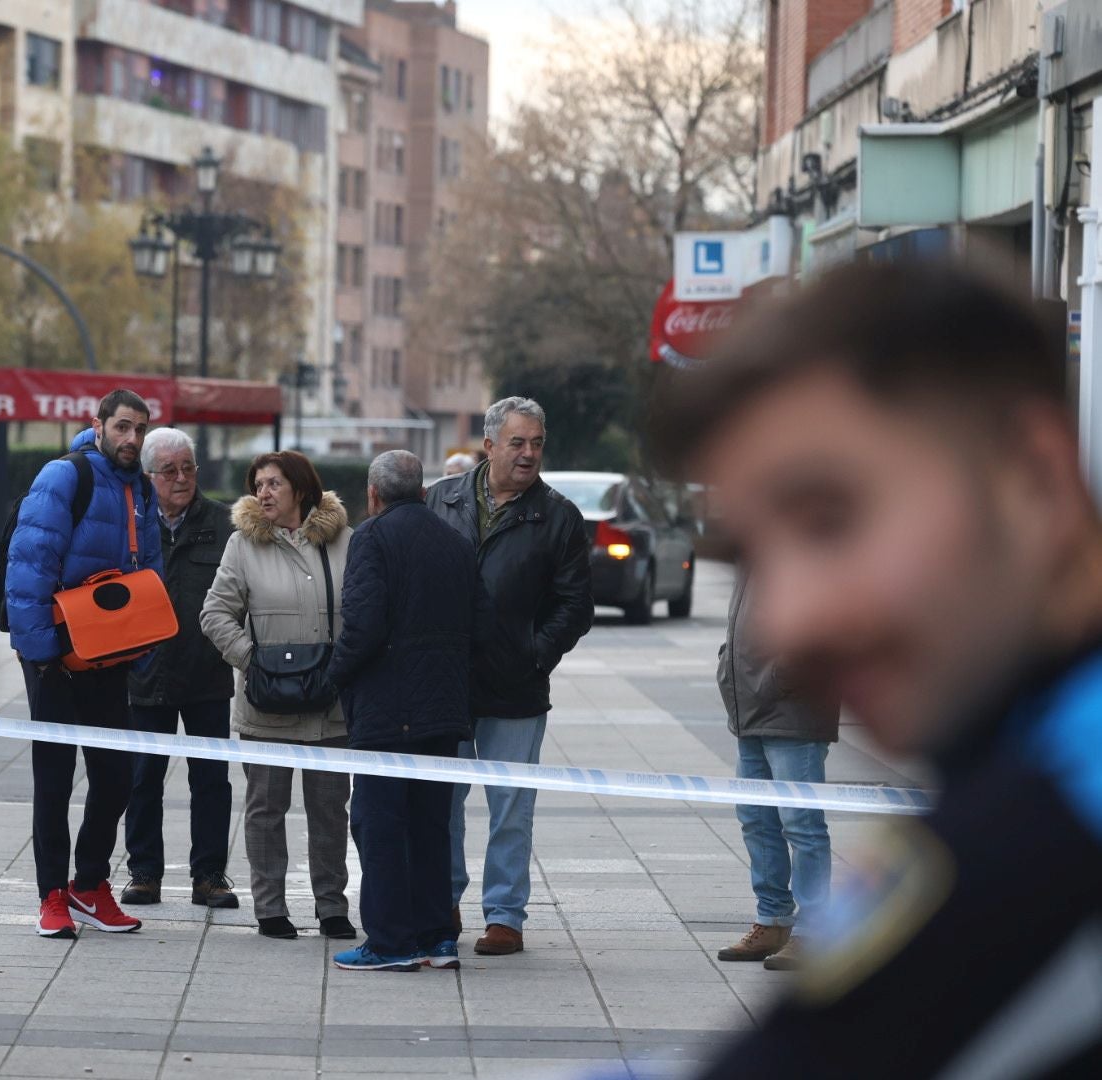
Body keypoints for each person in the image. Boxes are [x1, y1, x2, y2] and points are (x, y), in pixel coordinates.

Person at [655, 259, 1102, 1077]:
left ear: (1036, 478)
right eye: (754, 553)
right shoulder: (1013, 766)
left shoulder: (1048, 838)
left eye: (831, 520)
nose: (791, 616)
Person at [426, 397, 594, 956]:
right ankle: (441, 901)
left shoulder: (558, 515)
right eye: (517, 442)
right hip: (445, 685)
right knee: (440, 805)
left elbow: (575, 606)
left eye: (537, 443)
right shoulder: (439, 500)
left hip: (516, 688)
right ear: (490, 445)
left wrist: (534, 654)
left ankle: (504, 916)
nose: (528, 454)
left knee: (511, 809)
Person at [6, 389, 161, 940]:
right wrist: (42, 653)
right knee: (53, 781)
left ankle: (89, 884)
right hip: (54, 656)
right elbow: (29, 565)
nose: (132, 440)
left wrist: (140, 641)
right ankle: (52, 894)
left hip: (107, 655)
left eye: (140, 430)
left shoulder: (140, 486)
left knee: (116, 777)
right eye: (122, 427)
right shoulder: (65, 476)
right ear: (97, 426)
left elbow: (151, 572)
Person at [327, 450, 484, 972]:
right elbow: (479, 624)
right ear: (422, 492)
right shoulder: (457, 543)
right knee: (430, 825)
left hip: (387, 708)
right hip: (443, 709)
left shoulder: (371, 537)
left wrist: (333, 675)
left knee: (381, 826)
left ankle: (391, 942)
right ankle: (439, 937)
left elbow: (363, 625)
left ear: (373, 495)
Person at [200, 451, 355, 941]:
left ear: (301, 489)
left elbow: (366, 611)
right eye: (257, 484)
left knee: (330, 809)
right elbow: (215, 615)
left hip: (330, 705)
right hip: (266, 707)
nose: (263, 493)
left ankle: (331, 906)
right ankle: (270, 908)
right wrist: (253, 662)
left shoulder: (346, 541)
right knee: (265, 809)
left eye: (273, 484)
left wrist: (347, 666)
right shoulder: (242, 545)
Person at [121, 427, 240, 910]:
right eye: (169, 470)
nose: (181, 478)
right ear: (148, 476)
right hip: (144, 672)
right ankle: (144, 872)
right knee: (142, 776)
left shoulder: (223, 524)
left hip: (206, 674)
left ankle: (209, 875)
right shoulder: (131, 524)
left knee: (210, 780)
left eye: (188, 467)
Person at [715, 566, 839, 971]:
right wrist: (727, 667)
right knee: (756, 818)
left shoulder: (804, 548)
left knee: (800, 822)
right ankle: (773, 919)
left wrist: (780, 677)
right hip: (750, 707)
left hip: (793, 708)